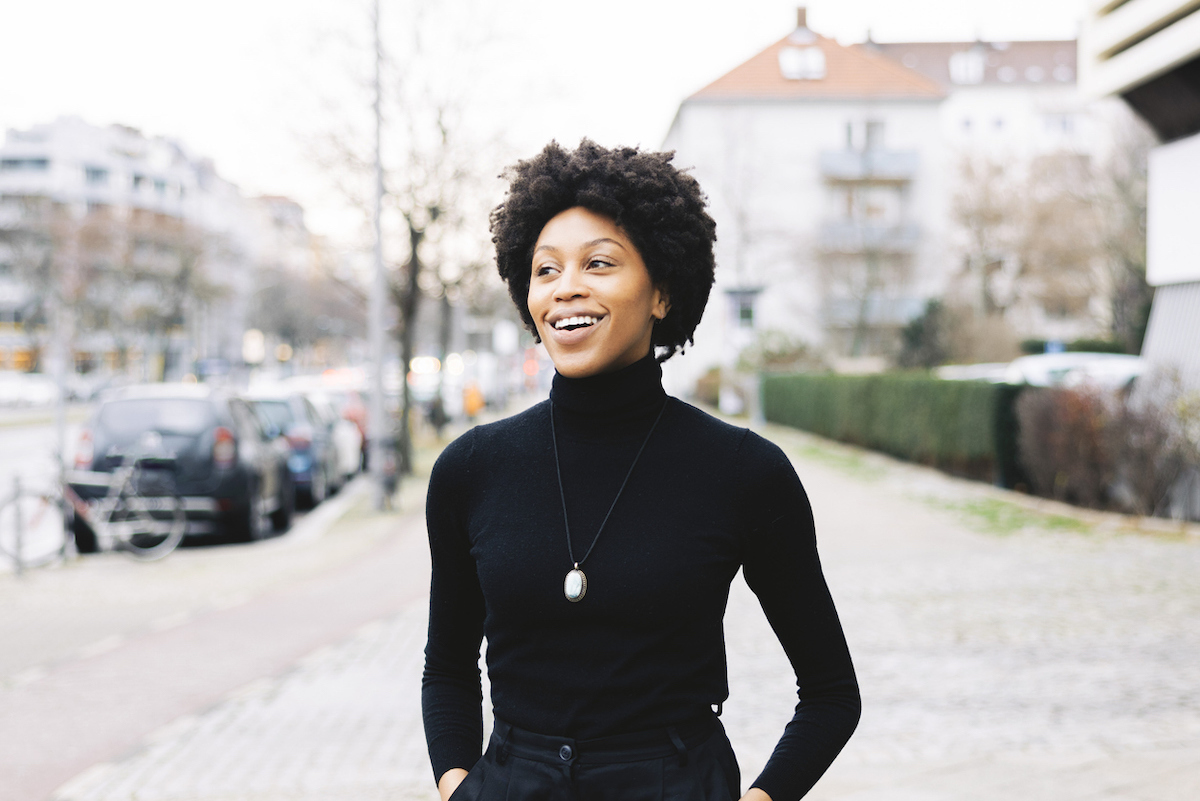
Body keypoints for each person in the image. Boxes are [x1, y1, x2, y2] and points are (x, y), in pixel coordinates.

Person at [422, 140, 860, 801]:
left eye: (598, 263)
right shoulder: (470, 470)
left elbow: (831, 692)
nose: (566, 287)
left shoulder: (743, 472)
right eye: (546, 269)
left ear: (662, 292)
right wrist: (458, 787)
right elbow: (448, 670)